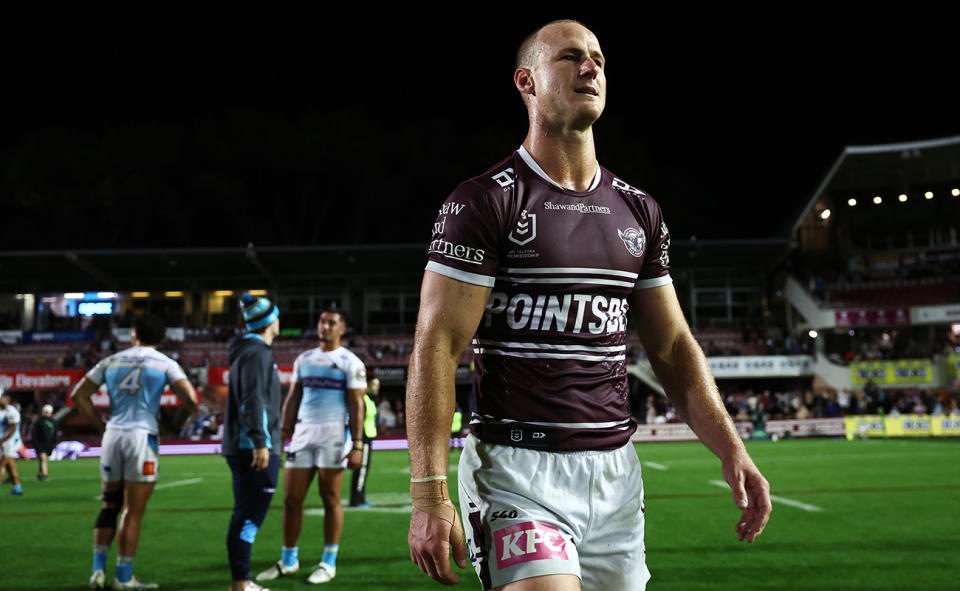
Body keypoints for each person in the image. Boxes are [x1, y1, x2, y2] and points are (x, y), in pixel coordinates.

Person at [406, 19, 772, 590]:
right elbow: (439, 344)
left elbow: (673, 346)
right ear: (526, 82)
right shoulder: (483, 201)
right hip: (516, 473)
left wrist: (731, 448)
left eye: (598, 58)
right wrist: (428, 492)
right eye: (571, 57)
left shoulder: (640, 211)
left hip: (615, 476)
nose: (592, 67)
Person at [71, 313, 199, 590]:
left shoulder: (111, 360)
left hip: (113, 435)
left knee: (109, 505)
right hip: (142, 436)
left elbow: (78, 396)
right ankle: (124, 576)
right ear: (161, 338)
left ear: (134, 334)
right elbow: (191, 399)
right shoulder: (165, 363)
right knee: (133, 510)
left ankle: (97, 572)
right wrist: (173, 426)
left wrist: (98, 426)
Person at [256, 310, 366, 585]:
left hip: (333, 434)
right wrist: (282, 432)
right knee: (292, 499)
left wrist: (358, 444)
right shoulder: (303, 359)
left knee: (331, 498)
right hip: (303, 434)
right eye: (321, 321)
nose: (324, 326)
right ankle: (289, 560)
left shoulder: (350, 362)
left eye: (331, 323)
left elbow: (357, 405)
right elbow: (293, 398)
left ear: (342, 328)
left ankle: (328, 562)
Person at [223, 293, 283, 591]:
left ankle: (241, 581)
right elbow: (254, 399)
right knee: (250, 516)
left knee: (244, 513)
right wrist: (261, 443)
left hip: (244, 444)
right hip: (253, 447)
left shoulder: (246, 351)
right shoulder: (258, 354)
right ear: (270, 321)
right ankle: (242, 583)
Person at [349, 376, 379, 507]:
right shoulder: (364, 400)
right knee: (361, 470)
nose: (376, 388)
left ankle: (360, 498)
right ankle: (356, 500)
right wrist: (359, 440)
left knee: (363, 470)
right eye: (374, 385)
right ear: (367, 385)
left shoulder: (370, 401)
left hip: (368, 438)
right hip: (364, 439)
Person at [0, 388, 24, 496]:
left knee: (1, 465)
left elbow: (13, 429)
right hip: (3, 442)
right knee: (10, 466)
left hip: (10, 442)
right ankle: (17, 488)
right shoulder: (2, 411)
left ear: (7, 399)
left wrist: (2, 440)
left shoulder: (12, 412)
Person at [32, 403, 57, 480]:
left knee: (43, 459)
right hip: (40, 444)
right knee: (43, 458)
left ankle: (39, 474)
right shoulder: (39, 422)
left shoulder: (53, 422)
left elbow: (55, 434)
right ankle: (45, 475)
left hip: (49, 444)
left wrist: (54, 443)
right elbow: (34, 434)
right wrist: (35, 444)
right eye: (45, 412)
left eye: (47, 412)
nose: (45, 413)